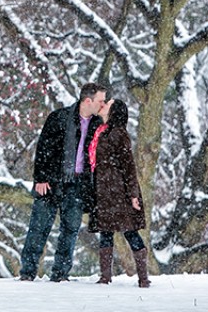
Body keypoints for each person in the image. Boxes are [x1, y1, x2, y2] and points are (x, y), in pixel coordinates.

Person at [19, 83, 106, 282]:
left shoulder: (97, 124)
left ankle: (60, 274)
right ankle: (27, 273)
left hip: (77, 185)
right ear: (88, 100)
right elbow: (43, 148)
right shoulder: (59, 117)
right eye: (100, 100)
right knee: (39, 227)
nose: (103, 104)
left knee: (71, 229)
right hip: (51, 182)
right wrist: (40, 178)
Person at [88, 98, 151, 288]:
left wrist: (133, 195)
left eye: (107, 103)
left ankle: (143, 278)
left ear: (114, 111)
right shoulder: (101, 131)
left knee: (130, 231)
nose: (103, 104)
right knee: (105, 232)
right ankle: (105, 277)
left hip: (119, 193)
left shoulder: (119, 134)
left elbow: (129, 166)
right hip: (103, 192)